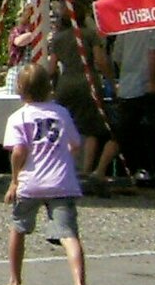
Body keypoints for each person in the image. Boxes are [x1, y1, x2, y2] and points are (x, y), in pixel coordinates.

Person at [0, 62, 90, 285]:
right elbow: (75, 145)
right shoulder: (61, 113)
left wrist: (14, 181)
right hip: (62, 181)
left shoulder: (19, 117)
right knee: (69, 235)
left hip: (31, 181)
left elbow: (19, 152)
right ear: (49, 86)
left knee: (18, 227)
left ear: (20, 89)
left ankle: (15, 281)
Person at [46, 18, 118, 181]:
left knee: (63, 124)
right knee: (91, 127)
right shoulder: (89, 34)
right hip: (88, 82)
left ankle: (63, 164)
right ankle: (85, 169)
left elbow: (51, 68)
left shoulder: (58, 38)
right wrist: (111, 81)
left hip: (65, 84)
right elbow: (100, 61)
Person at [110, 24, 155, 185]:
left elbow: (117, 56)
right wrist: (152, 80)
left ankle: (101, 171)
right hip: (151, 86)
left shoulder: (127, 27)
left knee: (121, 134)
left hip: (128, 86)